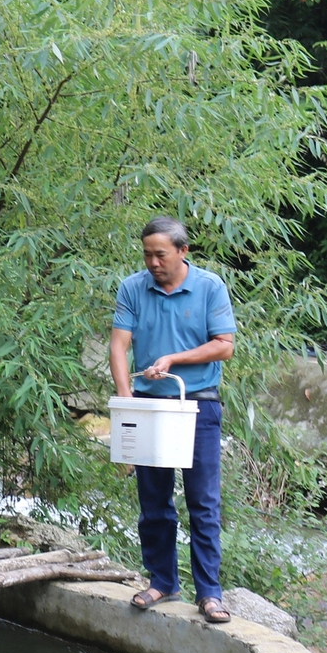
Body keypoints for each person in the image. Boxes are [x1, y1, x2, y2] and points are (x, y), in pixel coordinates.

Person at [110, 216, 236, 624]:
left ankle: (210, 594)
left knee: (202, 502)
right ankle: (162, 581)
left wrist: (172, 359)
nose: (152, 262)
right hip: (148, 406)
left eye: (160, 254)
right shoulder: (132, 287)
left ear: (183, 251)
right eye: (146, 254)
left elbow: (224, 346)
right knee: (153, 502)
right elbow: (119, 345)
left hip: (197, 405)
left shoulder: (210, 287)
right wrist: (126, 402)